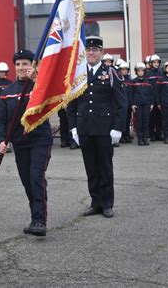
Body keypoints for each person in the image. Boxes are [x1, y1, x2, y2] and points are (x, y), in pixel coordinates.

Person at [0, 49, 53, 236]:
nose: (22, 68)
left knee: (36, 177)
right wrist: (2, 140)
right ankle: (35, 215)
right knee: (27, 181)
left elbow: (50, 100)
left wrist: (37, 80)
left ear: (33, 65)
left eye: (25, 64)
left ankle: (39, 221)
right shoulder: (7, 92)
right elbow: (1, 120)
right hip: (20, 143)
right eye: (18, 64)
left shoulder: (41, 86)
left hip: (40, 140)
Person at [67, 36, 126, 218]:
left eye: (95, 50)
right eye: (89, 50)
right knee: (91, 168)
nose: (91, 53)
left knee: (105, 168)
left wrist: (118, 128)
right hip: (85, 128)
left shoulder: (111, 73)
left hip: (104, 130)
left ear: (101, 52)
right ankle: (95, 203)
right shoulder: (79, 75)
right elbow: (71, 105)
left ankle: (107, 204)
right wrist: (73, 128)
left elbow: (121, 103)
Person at [129, 62, 154, 146]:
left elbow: (151, 93)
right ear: (136, 72)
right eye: (139, 71)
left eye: (142, 71)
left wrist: (151, 103)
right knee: (139, 122)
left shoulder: (148, 82)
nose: (140, 72)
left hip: (146, 104)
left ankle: (145, 138)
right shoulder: (133, 82)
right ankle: (140, 139)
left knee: (146, 121)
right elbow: (131, 94)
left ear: (144, 71)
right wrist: (132, 104)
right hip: (137, 105)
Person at [115, 59, 133, 144]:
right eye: (122, 69)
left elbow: (132, 92)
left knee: (127, 120)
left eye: (126, 69)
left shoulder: (129, 80)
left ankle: (126, 134)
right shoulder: (118, 79)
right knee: (121, 120)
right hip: (120, 105)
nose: (124, 71)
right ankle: (121, 136)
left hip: (128, 104)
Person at [146, 54, 164, 141]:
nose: (156, 64)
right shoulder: (148, 73)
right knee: (151, 119)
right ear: (151, 63)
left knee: (160, 118)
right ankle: (151, 134)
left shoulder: (161, 73)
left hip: (160, 98)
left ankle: (159, 134)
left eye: (157, 62)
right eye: (154, 62)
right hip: (151, 98)